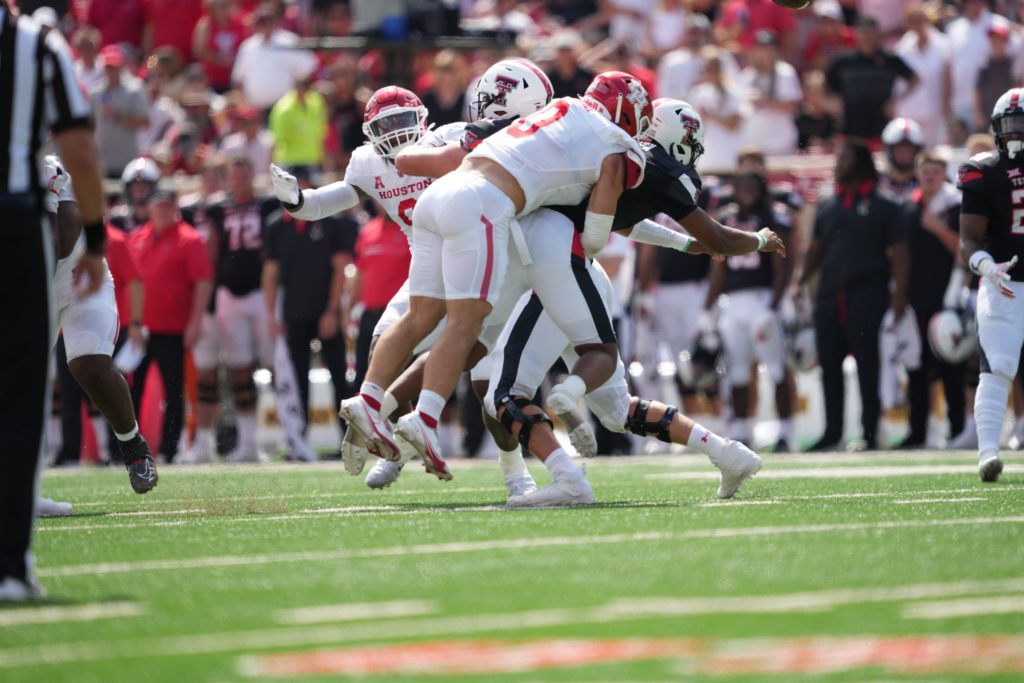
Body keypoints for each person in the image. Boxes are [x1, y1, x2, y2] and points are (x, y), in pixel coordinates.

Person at [339, 69, 650, 482]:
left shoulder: (528, 130)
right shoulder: (579, 137)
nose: (487, 106)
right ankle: (426, 423)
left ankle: (373, 402)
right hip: (489, 231)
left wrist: (402, 158)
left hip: (451, 219)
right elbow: (607, 227)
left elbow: (415, 159)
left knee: (448, 340)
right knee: (480, 347)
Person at [481, 98, 784, 505]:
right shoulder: (637, 164)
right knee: (618, 410)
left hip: (559, 275)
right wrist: (684, 243)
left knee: (503, 393)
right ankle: (727, 453)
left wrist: (760, 239)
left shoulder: (624, 157)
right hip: (585, 276)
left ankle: (566, 474)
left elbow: (721, 240)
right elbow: (622, 221)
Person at [0, 1, 106, 602]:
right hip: (15, 224)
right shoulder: (37, 44)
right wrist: (97, 237)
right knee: (17, 394)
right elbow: (82, 149)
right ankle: (10, 568)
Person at [45, 156, 158, 491]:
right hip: (30, 287)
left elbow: (58, 240)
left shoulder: (42, 166)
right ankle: (23, 488)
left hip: (78, 280)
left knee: (89, 366)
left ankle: (133, 446)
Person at [798, 139, 910, 451]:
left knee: (868, 365)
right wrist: (799, 280)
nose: (838, 163)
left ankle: (870, 432)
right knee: (829, 367)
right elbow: (815, 248)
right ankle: (832, 432)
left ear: (861, 162)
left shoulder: (885, 204)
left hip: (868, 294)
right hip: (830, 296)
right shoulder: (827, 203)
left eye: (845, 157)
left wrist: (899, 295)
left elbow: (900, 253)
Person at [191, 156, 278, 464]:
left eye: (244, 174)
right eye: (235, 175)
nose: (239, 181)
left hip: (262, 294)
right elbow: (212, 251)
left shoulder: (268, 204)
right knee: (239, 368)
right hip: (229, 294)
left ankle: (290, 435)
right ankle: (248, 443)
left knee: (276, 362)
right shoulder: (216, 208)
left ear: (252, 175)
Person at [957, 87, 1024, 483]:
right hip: (1006, 281)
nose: (1016, 133)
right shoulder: (983, 170)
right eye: (1010, 125)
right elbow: (969, 237)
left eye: (1022, 125)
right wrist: (984, 265)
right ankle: (987, 452)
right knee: (997, 365)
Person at [263, 169, 356, 439]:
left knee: (339, 376)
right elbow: (271, 273)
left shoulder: (330, 223)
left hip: (324, 311)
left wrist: (331, 310)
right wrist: (271, 314)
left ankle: (349, 436)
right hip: (294, 312)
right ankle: (298, 440)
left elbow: (340, 268)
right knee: (297, 378)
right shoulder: (276, 225)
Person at [705, 172, 794, 451]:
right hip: (734, 301)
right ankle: (742, 430)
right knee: (738, 371)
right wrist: (706, 309)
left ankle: (786, 432)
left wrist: (774, 306)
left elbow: (782, 266)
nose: (747, 192)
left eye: (752, 186)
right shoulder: (725, 216)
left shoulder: (773, 216)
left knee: (777, 368)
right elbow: (719, 267)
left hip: (762, 298)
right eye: (742, 186)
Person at [128, 189, 213, 463]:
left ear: (174, 208)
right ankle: (127, 447)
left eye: (167, 206)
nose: (162, 211)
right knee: (131, 388)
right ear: (149, 208)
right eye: (157, 206)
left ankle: (169, 448)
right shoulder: (138, 237)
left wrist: (195, 321)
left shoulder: (189, 239)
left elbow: (203, 281)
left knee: (173, 389)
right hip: (139, 327)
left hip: (173, 327)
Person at [901, 150, 965, 448]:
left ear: (944, 174)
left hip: (947, 296)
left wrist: (938, 228)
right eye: (925, 170)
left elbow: (964, 250)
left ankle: (958, 428)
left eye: (936, 171)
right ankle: (919, 431)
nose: (929, 176)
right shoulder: (909, 207)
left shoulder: (954, 206)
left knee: (951, 365)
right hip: (917, 298)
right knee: (918, 369)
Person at [825, 16, 919, 142]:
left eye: (871, 32)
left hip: (882, 128)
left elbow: (915, 79)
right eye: (863, 32)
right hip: (851, 128)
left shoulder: (889, 59)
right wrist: (831, 102)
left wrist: (897, 101)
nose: (867, 37)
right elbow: (824, 83)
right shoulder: (844, 61)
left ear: (877, 34)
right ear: (856, 33)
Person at [231, 2, 316, 112]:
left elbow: (308, 70)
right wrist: (244, 106)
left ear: (276, 20)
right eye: (261, 20)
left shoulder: (290, 42)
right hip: (255, 113)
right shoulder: (248, 46)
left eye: (268, 19)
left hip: (285, 111)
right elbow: (238, 80)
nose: (265, 24)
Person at [89, 45, 151, 178]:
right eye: (108, 68)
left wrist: (117, 116)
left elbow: (144, 123)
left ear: (121, 67)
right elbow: (91, 123)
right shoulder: (96, 92)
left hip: (127, 161)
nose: (111, 71)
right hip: (102, 161)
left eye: (114, 67)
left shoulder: (134, 90)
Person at [894, 3, 951, 147]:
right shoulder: (902, 48)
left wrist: (946, 102)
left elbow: (947, 77)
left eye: (921, 19)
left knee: (934, 149)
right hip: (909, 109)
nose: (918, 24)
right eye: (913, 21)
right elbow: (899, 84)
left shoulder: (942, 44)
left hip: (935, 108)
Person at [738, 30, 801, 157]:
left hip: (781, 142)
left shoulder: (785, 72)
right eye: (761, 49)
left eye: (769, 48)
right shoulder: (747, 75)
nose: (765, 53)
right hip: (753, 144)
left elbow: (792, 106)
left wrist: (765, 102)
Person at [268, 75, 329, 170]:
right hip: (290, 162)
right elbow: (276, 140)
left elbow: (320, 134)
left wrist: (323, 160)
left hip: (312, 160)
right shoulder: (283, 109)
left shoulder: (316, 102)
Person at [880, 117, 925, 203]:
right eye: (899, 150)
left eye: (909, 151)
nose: (904, 155)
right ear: (889, 151)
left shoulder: (928, 181)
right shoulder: (877, 181)